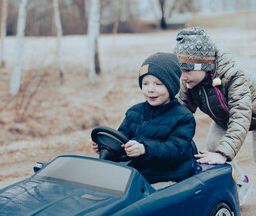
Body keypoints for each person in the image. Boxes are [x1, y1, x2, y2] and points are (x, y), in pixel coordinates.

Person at [174, 26, 256, 206]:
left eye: (187, 69)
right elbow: (178, 113)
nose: (183, 76)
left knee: (231, 153)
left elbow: (241, 117)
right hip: (224, 117)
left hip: (246, 115)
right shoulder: (188, 83)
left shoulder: (234, 78)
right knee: (213, 147)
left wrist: (224, 154)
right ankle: (241, 183)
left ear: (203, 65)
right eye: (180, 70)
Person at [91, 52, 196, 185]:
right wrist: (104, 146)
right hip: (137, 174)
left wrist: (144, 149)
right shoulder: (134, 112)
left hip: (167, 177)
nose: (150, 89)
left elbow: (174, 150)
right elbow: (121, 138)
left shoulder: (184, 117)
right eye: (145, 84)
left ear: (171, 86)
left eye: (158, 84)